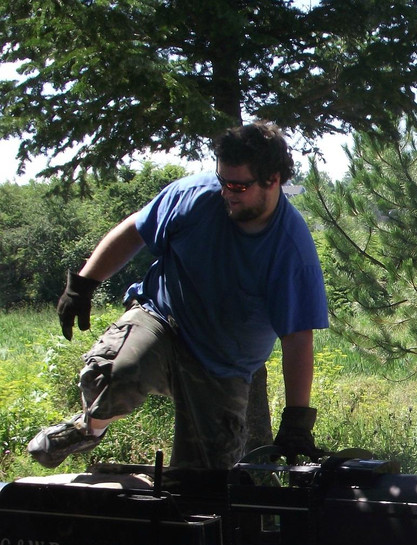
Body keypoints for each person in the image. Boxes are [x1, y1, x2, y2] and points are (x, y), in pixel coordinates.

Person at [27, 121, 329, 470]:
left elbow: (297, 339)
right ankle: (89, 428)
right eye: (222, 180)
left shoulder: (290, 248)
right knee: (117, 371)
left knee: (204, 487)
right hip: (162, 322)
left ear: (272, 180)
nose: (226, 193)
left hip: (223, 365)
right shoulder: (194, 197)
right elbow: (135, 229)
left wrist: (296, 423)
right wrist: (83, 284)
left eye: (237, 185)